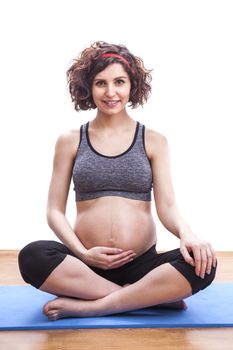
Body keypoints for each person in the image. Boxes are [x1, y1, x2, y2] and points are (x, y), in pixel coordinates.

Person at [18, 41, 217, 320]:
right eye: (101, 83)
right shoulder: (70, 141)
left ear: (131, 85)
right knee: (32, 256)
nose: (111, 92)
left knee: (204, 263)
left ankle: (95, 305)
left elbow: (168, 207)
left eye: (119, 82)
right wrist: (82, 253)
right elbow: (53, 210)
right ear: (88, 87)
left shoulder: (154, 140)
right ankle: (147, 298)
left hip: (144, 264)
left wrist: (188, 235)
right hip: (86, 265)